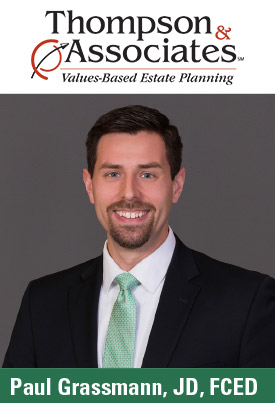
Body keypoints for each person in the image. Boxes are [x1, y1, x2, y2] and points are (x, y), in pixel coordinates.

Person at [3, 105, 275, 368]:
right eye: (112, 174)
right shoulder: (41, 303)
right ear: (90, 186)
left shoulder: (246, 301)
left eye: (147, 174)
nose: (129, 193)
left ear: (176, 186)